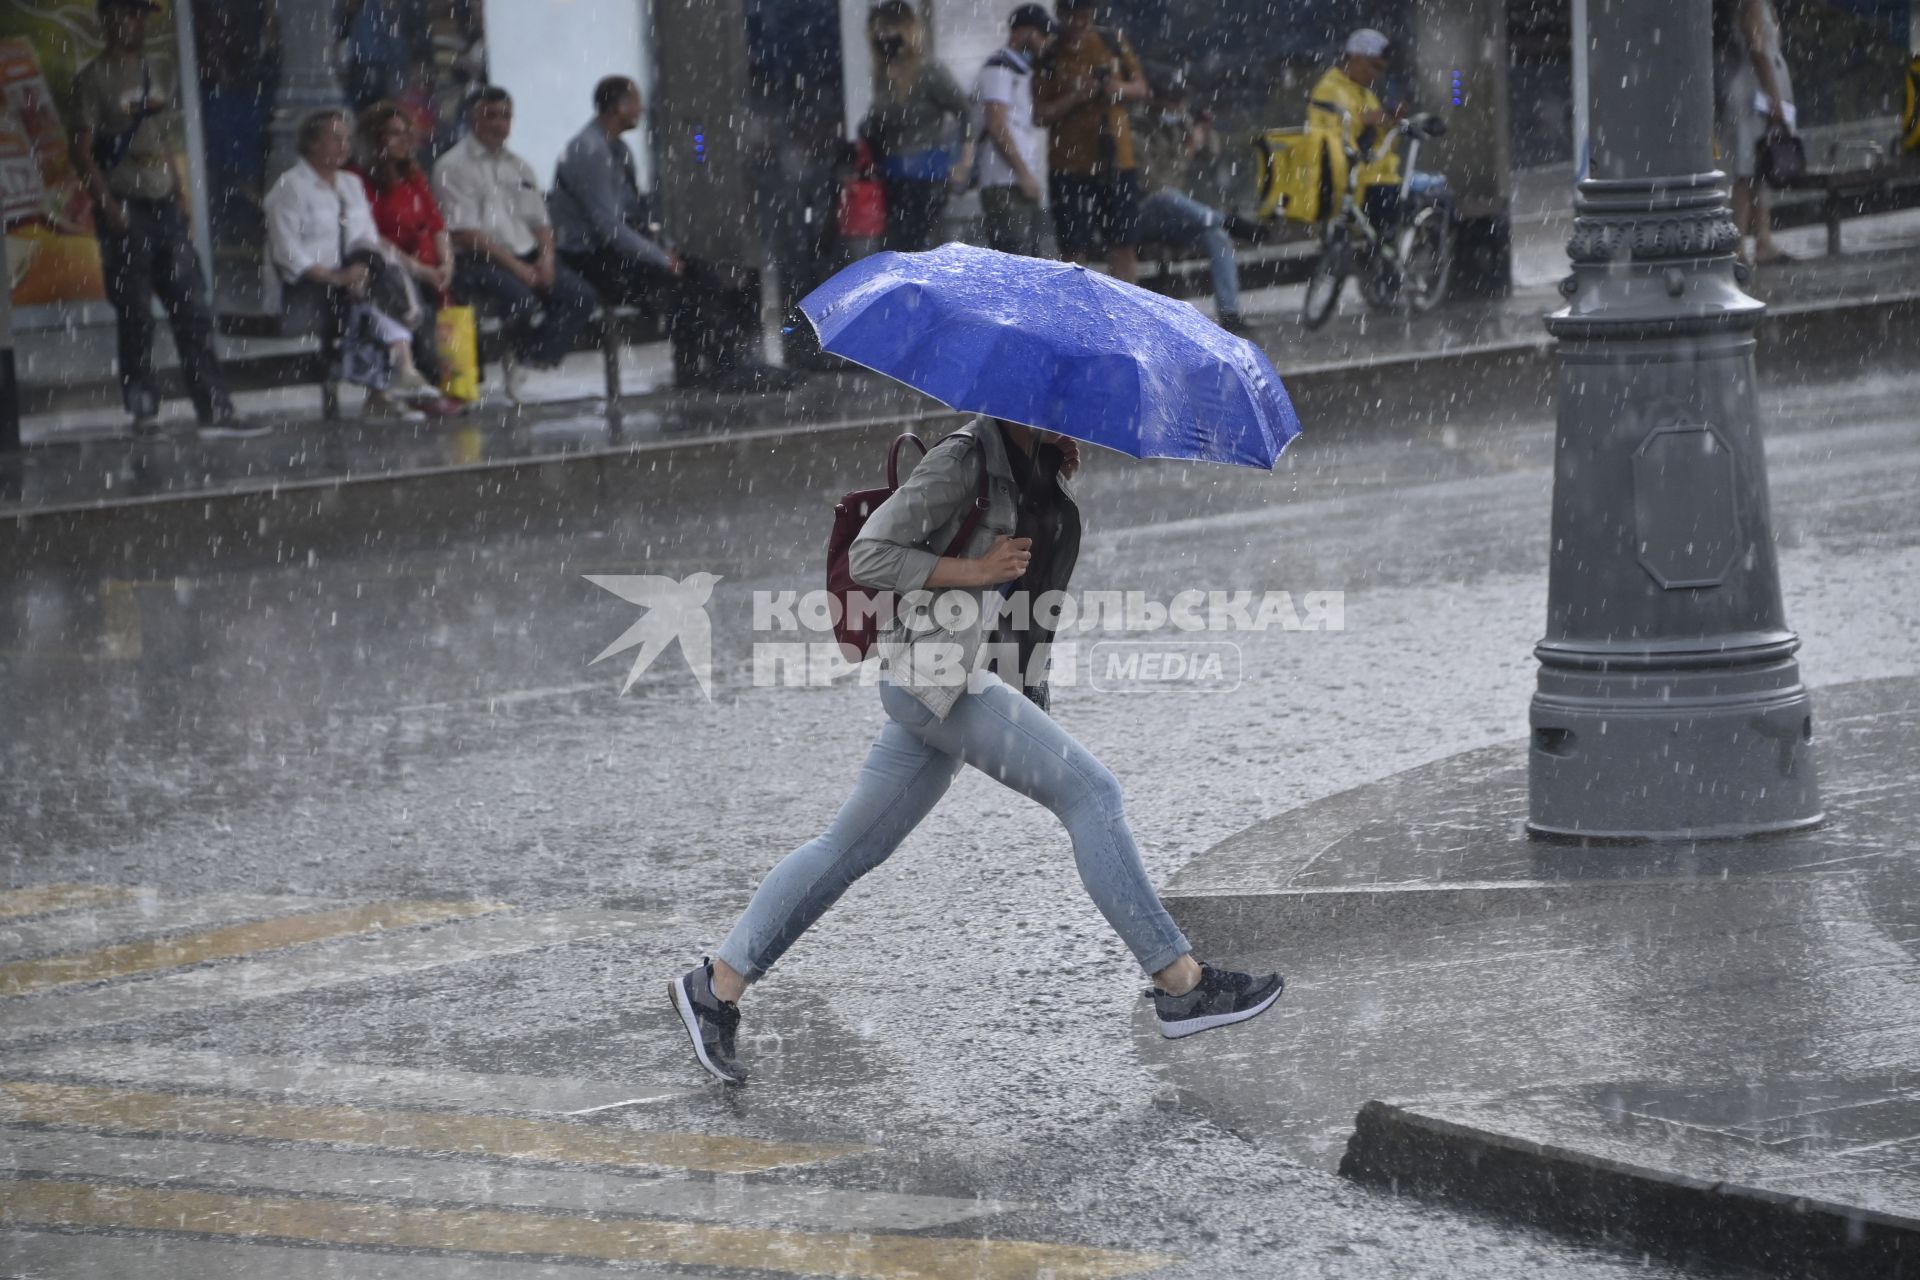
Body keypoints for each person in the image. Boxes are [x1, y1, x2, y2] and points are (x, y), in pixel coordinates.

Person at [667, 417, 1286, 1085]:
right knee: (1091, 793)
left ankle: (715, 985)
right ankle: (1181, 983)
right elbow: (870, 555)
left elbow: (1030, 585)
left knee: (848, 847)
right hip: (942, 676)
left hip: (952, 681)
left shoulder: (1033, 457)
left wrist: (1045, 474)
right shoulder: (963, 459)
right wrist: (973, 569)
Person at [67, 0, 259, 437]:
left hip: (163, 201)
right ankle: (143, 408)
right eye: (122, 14)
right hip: (125, 202)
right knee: (134, 313)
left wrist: (178, 190)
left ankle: (214, 406)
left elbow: (161, 135)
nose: (129, 22)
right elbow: (81, 150)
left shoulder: (155, 70)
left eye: (136, 14)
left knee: (191, 307)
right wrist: (108, 204)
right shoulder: (93, 80)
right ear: (106, 20)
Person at [549, 76, 799, 393]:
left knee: (722, 275)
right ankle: (713, 367)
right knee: (680, 285)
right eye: (636, 102)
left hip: (620, 251)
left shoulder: (617, 148)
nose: (641, 109)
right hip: (593, 258)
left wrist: (666, 249)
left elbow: (634, 216)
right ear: (621, 106)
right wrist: (660, 259)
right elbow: (609, 228)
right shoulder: (590, 150)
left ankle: (738, 359)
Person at [264, 109, 450, 419]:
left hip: (355, 278)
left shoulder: (350, 183)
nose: (344, 146)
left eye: (347, 139)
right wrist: (336, 277)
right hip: (307, 286)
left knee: (376, 284)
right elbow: (287, 253)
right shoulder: (290, 187)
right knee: (373, 297)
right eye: (335, 138)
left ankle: (386, 390)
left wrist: (359, 270)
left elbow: (366, 236)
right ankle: (400, 373)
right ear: (312, 143)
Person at [433, 87, 598, 395]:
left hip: (525, 251)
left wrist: (545, 260)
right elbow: (464, 233)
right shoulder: (452, 167)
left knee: (581, 295)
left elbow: (541, 223)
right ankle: (515, 353)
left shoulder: (519, 166)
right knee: (521, 299)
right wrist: (519, 269)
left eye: (506, 116)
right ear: (472, 119)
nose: (499, 124)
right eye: (490, 116)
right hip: (478, 258)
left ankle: (533, 356)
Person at [1032, 0, 1148, 284]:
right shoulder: (1050, 54)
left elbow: (1141, 88)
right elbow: (1040, 113)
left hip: (1116, 159)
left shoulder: (1111, 41)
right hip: (1069, 165)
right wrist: (1076, 96)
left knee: (1122, 243)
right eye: (1073, 17)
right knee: (1072, 248)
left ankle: (1125, 310)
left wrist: (1115, 89)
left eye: (1085, 16)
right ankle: (1075, 315)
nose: (1080, 23)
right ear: (1061, 16)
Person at [355, 101, 458, 403]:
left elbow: (437, 224)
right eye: (393, 135)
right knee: (412, 302)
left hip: (430, 264)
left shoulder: (413, 176)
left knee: (457, 296)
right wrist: (419, 269)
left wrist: (447, 262)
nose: (403, 141)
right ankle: (424, 384)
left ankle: (452, 382)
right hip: (396, 266)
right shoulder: (363, 182)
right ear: (376, 140)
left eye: (406, 134)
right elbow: (372, 237)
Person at [1135, 71, 1252, 334]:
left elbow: (1212, 153)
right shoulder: (1138, 130)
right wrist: (1187, 151)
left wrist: (1203, 131)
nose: (1178, 107)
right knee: (1167, 196)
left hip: (1177, 219)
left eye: (1181, 101)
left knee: (1216, 236)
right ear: (1156, 100)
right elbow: (1153, 185)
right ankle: (1226, 219)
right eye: (1172, 101)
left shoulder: (1180, 126)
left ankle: (1230, 315)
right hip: (1142, 216)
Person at [860, 1, 975, 252]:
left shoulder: (928, 71)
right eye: (879, 32)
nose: (884, 38)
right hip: (893, 178)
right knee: (897, 250)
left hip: (926, 179)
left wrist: (964, 161)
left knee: (913, 248)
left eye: (890, 30)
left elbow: (964, 110)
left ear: (907, 31)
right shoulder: (885, 74)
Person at [971, 3, 1054, 257]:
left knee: (1030, 259)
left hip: (1016, 181)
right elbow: (997, 124)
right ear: (1024, 33)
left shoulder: (1020, 69)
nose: (1045, 42)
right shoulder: (1000, 67)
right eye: (1042, 34)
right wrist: (1023, 174)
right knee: (1015, 259)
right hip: (1004, 181)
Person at [1717, 0, 1796, 266]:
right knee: (1747, 167)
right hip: (1753, 92)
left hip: (1759, 89)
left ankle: (1762, 238)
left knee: (1759, 165)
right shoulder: (1750, 4)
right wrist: (1773, 93)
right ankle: (1738, 241)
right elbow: (1757, 48)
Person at [1308, 29, 1406, 230]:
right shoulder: (1329, 89)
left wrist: (1390, 125)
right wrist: (1365, 119)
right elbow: (1329, 137)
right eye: (1374, 67)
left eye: (1381, 70)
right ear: (1356, 58)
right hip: (1354, 180)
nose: (1376, 75)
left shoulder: (1365, 94)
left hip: (1377, 176)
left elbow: (1384, 145)